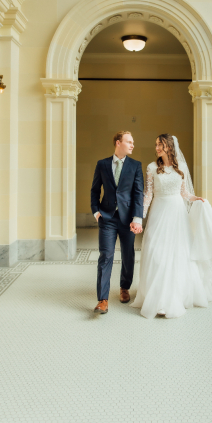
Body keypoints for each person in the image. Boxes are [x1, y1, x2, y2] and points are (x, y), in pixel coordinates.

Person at [136, 132, 212, 320]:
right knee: (156, 251)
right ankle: (156, 295)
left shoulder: (181, 170)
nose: (156, 148)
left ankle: (172, 297)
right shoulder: (152, 168)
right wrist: (140, 218)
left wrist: (196, 199)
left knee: (177, 253)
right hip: (158, 211)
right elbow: (147, 195)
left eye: (160, 145)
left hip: (177, 213)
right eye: (156, 144)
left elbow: (184, 193)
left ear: (169, 147)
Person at [91, 132, 145, 314]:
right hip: (107, 218)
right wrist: (96, 211)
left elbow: (139, 194)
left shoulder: (136, 166)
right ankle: (103, 300)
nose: (132, 145)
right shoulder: (102, 164)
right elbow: (94, 190)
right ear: (118, 143)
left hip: (128, 219)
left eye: (133, 142)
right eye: (129, 142)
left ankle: (124, 287)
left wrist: (137, 219)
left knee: (128, 254)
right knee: (105, 255)